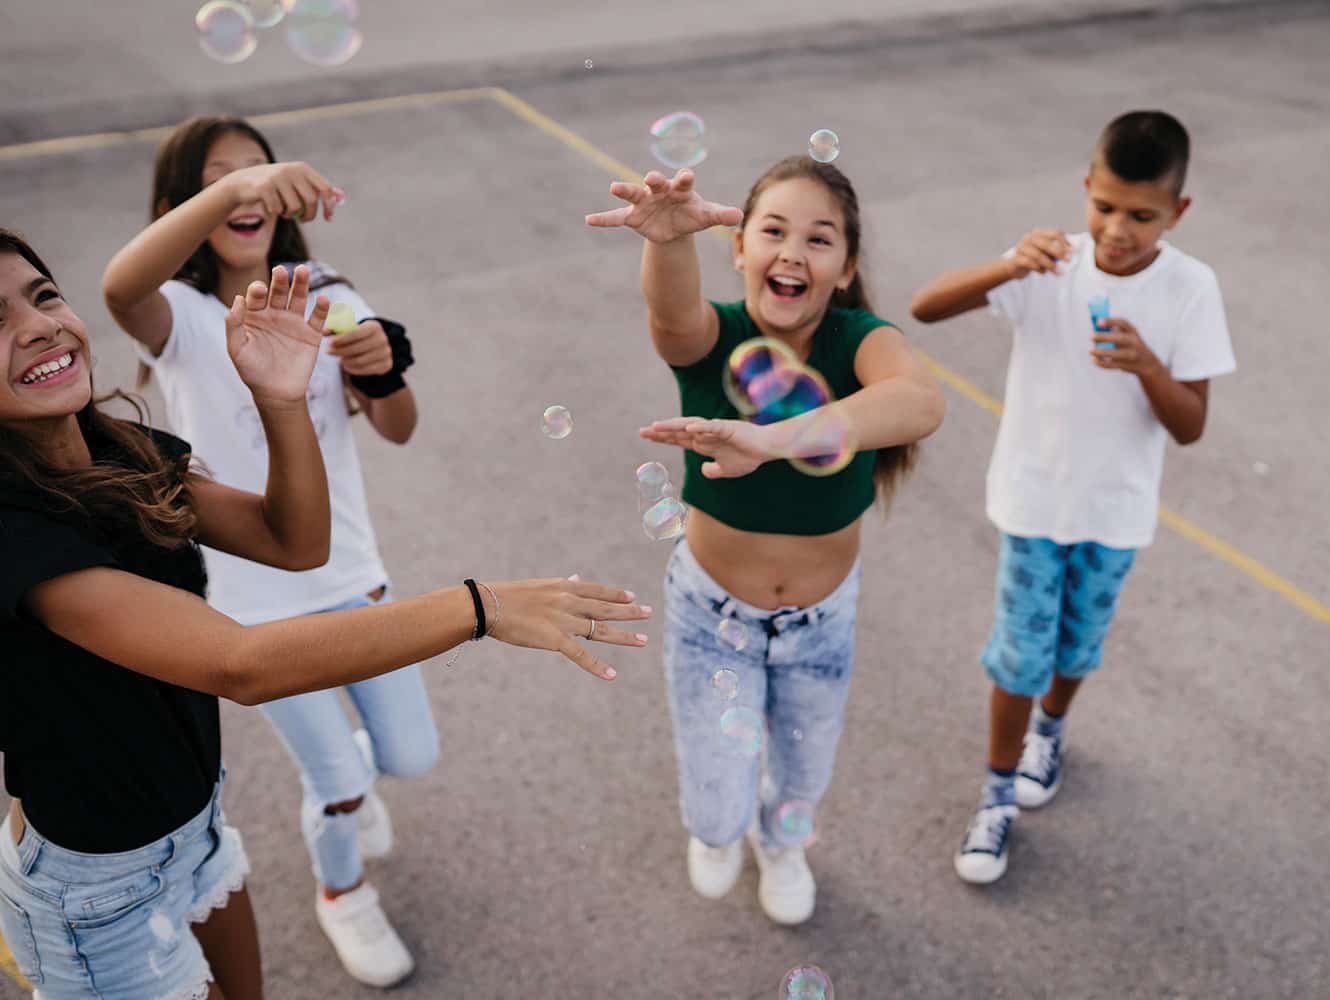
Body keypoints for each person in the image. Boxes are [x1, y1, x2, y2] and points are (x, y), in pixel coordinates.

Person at [0, 229, 650, 999]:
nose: (38, 324)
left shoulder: (127, 452)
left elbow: (296, 541)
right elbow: (241, 665)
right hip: (96, 887)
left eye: (42, 296)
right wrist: (481, 607)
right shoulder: (16, 530)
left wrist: (280, 402)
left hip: (196, 828)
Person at [100, 115, 430, 984]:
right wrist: (237, 186)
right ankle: (343, 892)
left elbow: (396, 428)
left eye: (261, 174)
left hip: (354, 577)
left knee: (410, 756)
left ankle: (346, 792)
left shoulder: (327, 291)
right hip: (252, 606)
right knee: (342, 784)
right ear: (185, 205)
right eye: (223, 180)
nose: (252, 189)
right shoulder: (178, 314)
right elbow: (118, 284)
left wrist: (384, 368)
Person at [586, 157, 945, 924]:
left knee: (801, 778)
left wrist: (773, 439)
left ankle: (779, 844)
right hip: (711, 619)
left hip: (821, 623)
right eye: (773, 231)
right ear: (740, 248)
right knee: (714, 812)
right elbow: (672, 313)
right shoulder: (714, 338)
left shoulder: (859, 341)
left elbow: (918, 402)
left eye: (819, 240)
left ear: (846, 269)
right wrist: (667, 243)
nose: (792, 252)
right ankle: (722, 832)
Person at [908, 110, 1237, 884]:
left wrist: (1149, 367)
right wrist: (1006, 268)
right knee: (1020, 654)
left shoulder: (1191, 288)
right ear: (1085, 188)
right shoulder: (1049, 265)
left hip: (1114, 512)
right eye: (1105, 207)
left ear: (1178, 213)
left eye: (1142, 215)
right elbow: (924, 308)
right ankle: (995, 796)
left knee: (1076, 646)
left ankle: (1049, 732)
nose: (1118, 229)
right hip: (1034, 502)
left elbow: (1189, 426)